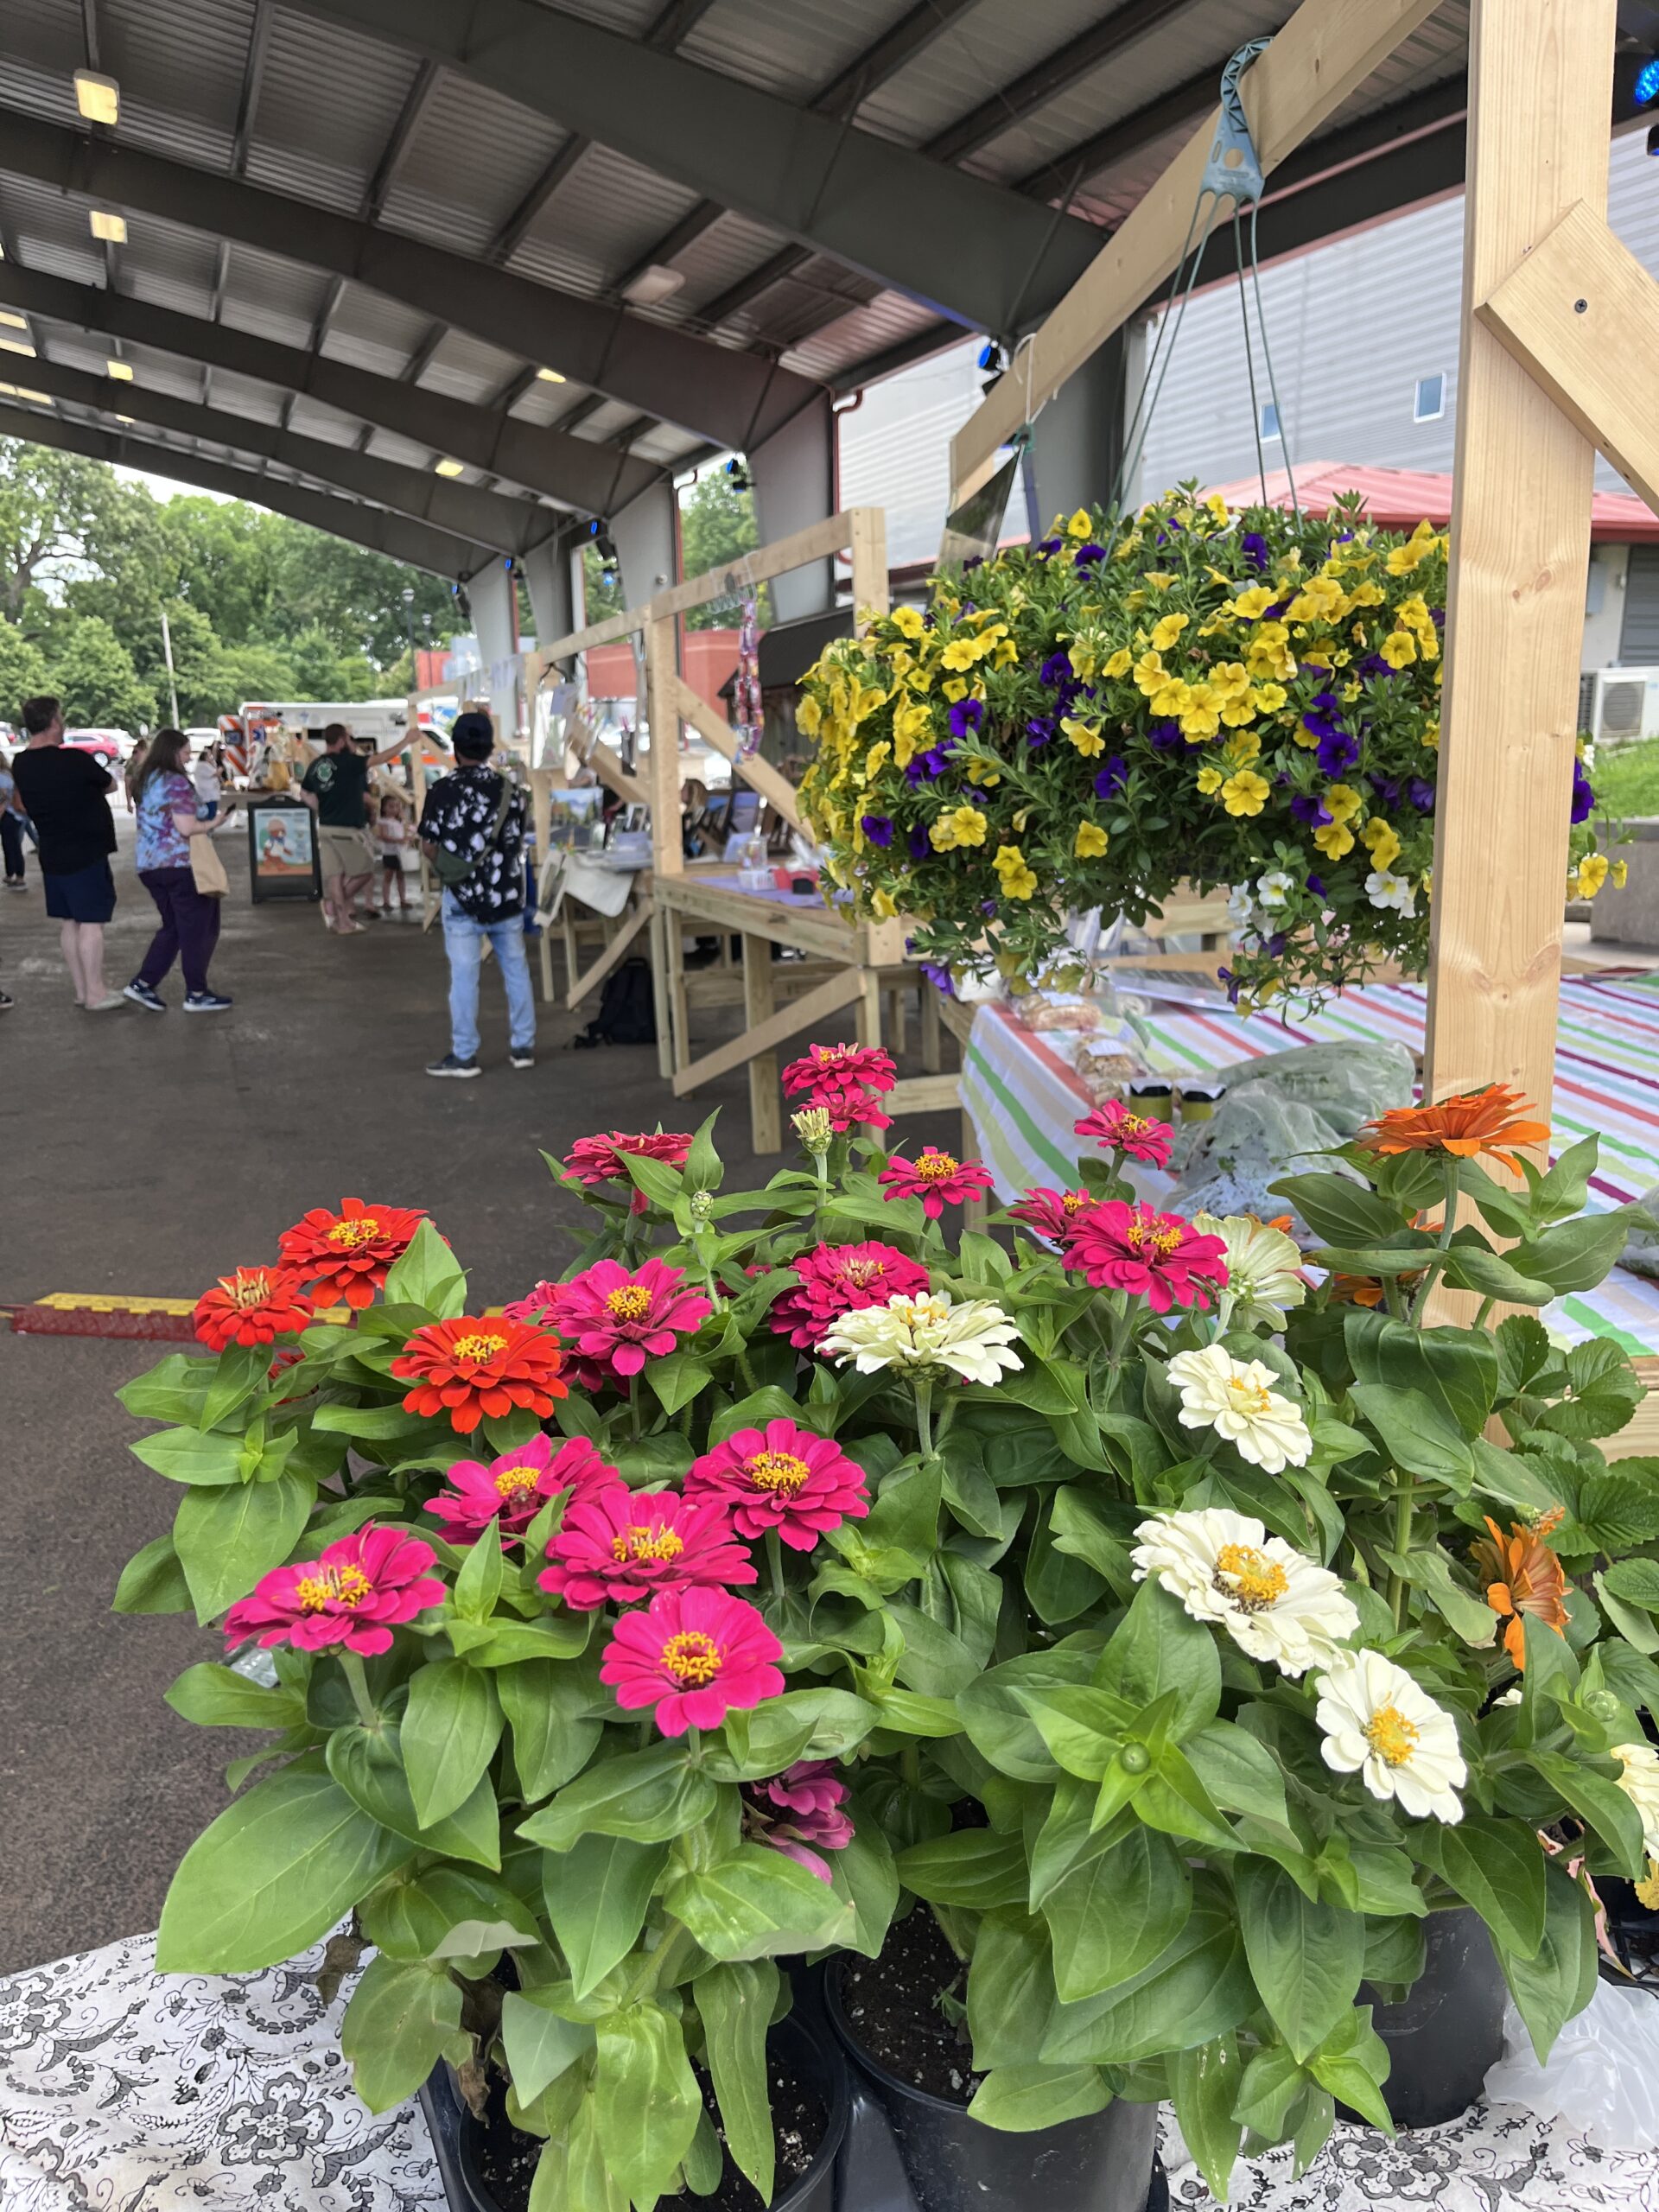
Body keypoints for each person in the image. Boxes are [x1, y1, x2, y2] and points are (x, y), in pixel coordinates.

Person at [418, 709, 533, 1077]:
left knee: (464, 976)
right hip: (506, 896)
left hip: (462, 899)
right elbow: (517, 842)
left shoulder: (441, 790)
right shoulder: (513, 793)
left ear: (455, 747)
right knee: (516, 970)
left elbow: (429, 845)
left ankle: (465, 1055)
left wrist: (455, 868)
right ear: (489, 747)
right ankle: (523, 1047)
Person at [11, 695, 122, 1009]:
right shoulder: (73, 759)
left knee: (69, 922)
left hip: (52, 852)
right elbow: (109, 785)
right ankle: (96, 993)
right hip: (85, 850)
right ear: (53, 722)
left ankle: (82, 990)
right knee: (91, 922)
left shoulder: (22, 763)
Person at [122, 728, 236, 1014]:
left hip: (149, 865)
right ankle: (196, 992)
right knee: (200, 928)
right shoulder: (175, 782)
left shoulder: (145, 779)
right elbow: (186, 827)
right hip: (181, 865)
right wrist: (216, 822)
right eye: (185, 751)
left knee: (173, 926)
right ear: (173, 751)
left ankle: (144, 983)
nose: (188, 757)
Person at [299, 722, 410, 932]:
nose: (351, 743)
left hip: (325, 828)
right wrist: (407, 740)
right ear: (341, 740)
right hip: (347, 829)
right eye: (349, 738)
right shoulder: (348, 762)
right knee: (365, 871)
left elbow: (304, 793)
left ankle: (343, 923)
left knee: (336, 876)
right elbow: (382, 758)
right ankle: (333, 906)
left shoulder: (316, 765)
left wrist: (321, 808)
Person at [374, 792, 410, 913]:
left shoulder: (399, 821)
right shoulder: (383, 821)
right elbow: (383, 836)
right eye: (391, 806)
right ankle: (386, 901)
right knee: (388, 876)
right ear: (384, 808)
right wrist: (399, 840)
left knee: (401, 876)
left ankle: (403, 900)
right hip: (389, 853)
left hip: (400, 853)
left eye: (397, 806)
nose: (395, 809)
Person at [0, 749, 27, 887]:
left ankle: (13, 875)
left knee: (10, 846)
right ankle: (17, 875)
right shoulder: (9, 774)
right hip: (17, 815)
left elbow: (3, 798)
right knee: (14, 845)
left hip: (8, 814)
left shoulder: (1, 777)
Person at [191, 740, 222, 821]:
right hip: (208, 794)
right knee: (210, 814)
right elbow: (216, 773)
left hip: (209, 793)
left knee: (212, 812)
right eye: (209, 756)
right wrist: (220, 769)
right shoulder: (203, 765)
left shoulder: (205, 765)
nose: (210, 758)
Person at [124, 734, 149, 816]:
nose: (134, 755)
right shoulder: (131, 765)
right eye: (134, 752)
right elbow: (128, 785)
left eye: (136, 752)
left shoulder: (152, 764)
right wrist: (128, 803)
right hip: (139, 799)